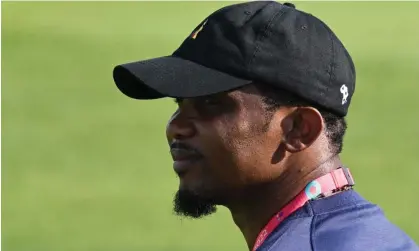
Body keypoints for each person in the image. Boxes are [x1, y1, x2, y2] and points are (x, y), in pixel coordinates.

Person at [112, 1, 419, 250]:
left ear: (299, 129)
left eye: (211, 103)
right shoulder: (372, 237)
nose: (176, 128)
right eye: (179, 103)